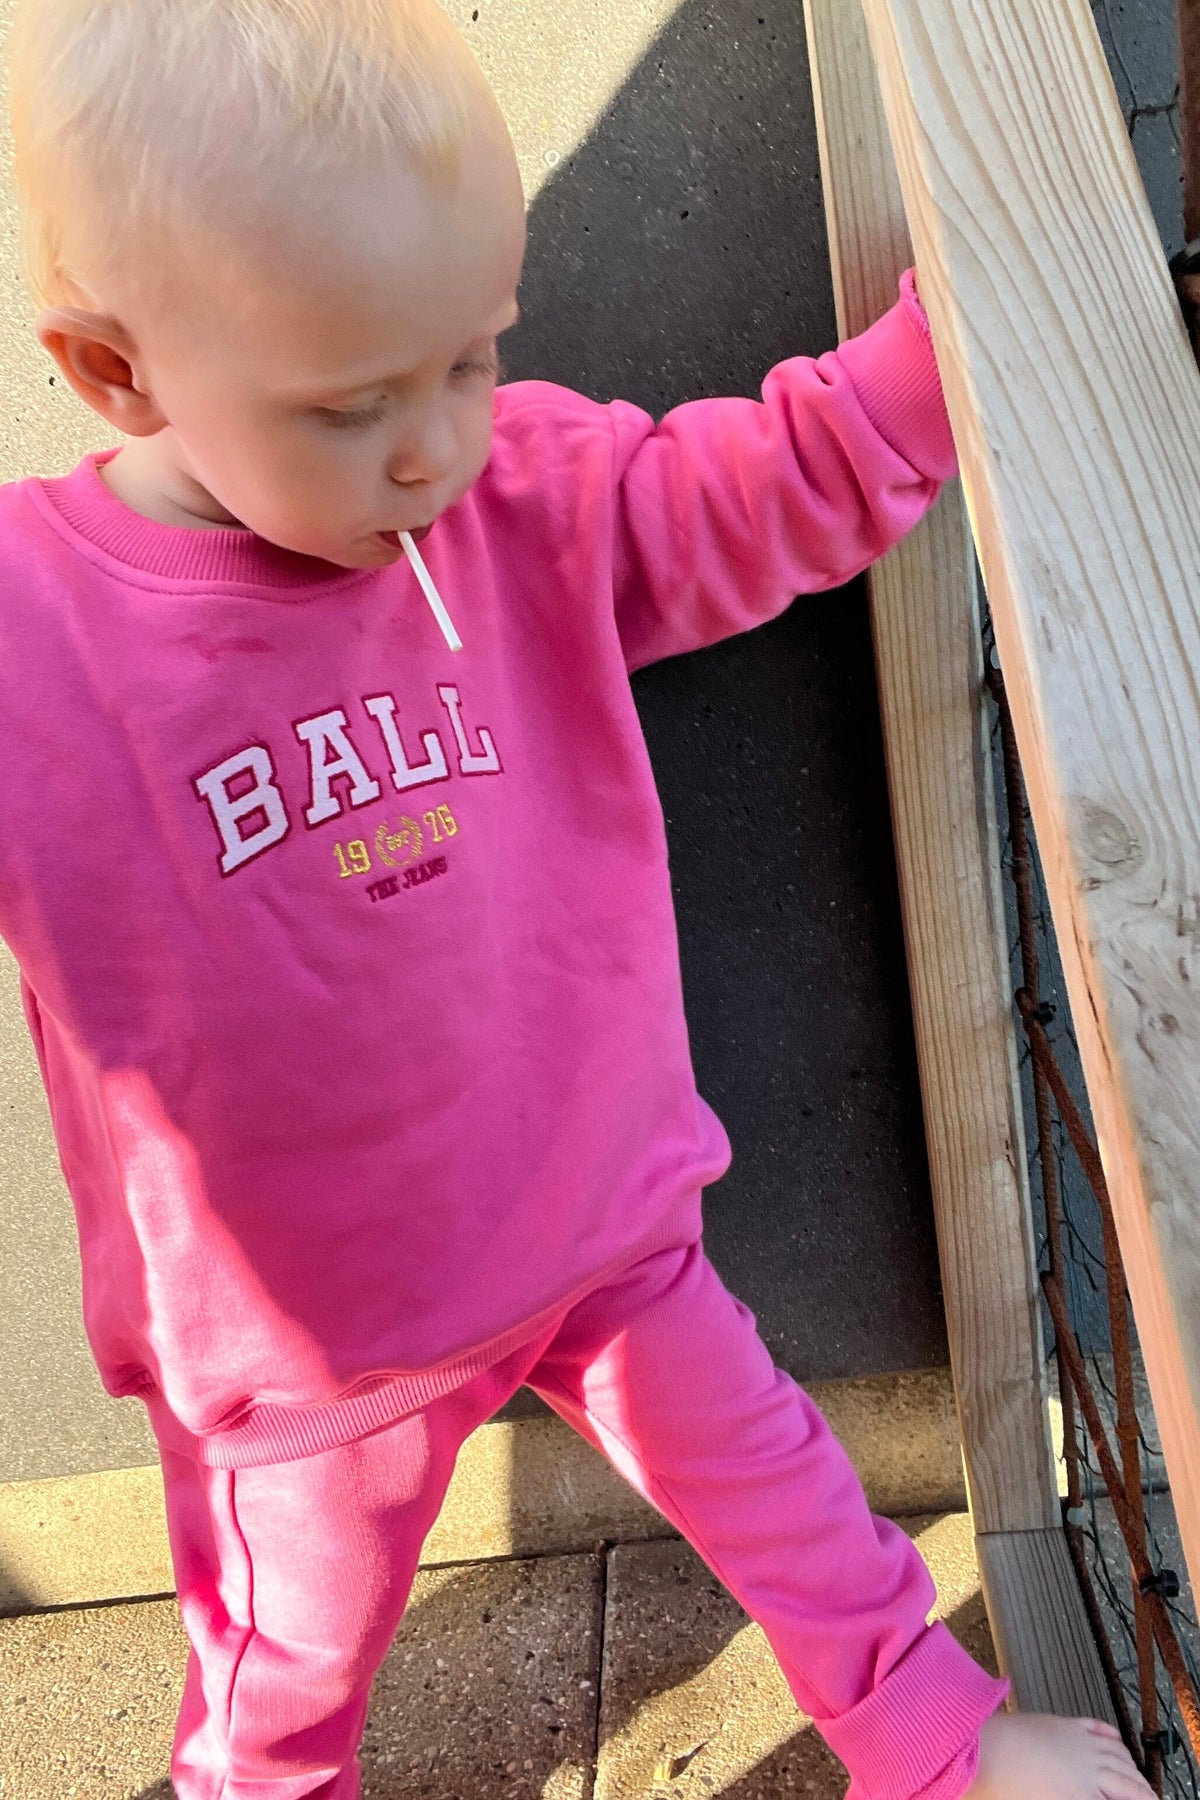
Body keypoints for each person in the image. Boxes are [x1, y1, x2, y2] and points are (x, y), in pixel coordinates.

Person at [0, 3, 1152, 1797]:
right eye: (350, 404)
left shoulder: (518, 497)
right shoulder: (34, 637)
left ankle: (938, 1743)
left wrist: (962, 327)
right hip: (310, 1359)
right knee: (280, 1691)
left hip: (602, 1233)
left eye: (473, 356)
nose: (433, 448)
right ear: (114, 372)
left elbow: (769, 484)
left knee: (788, 1495)